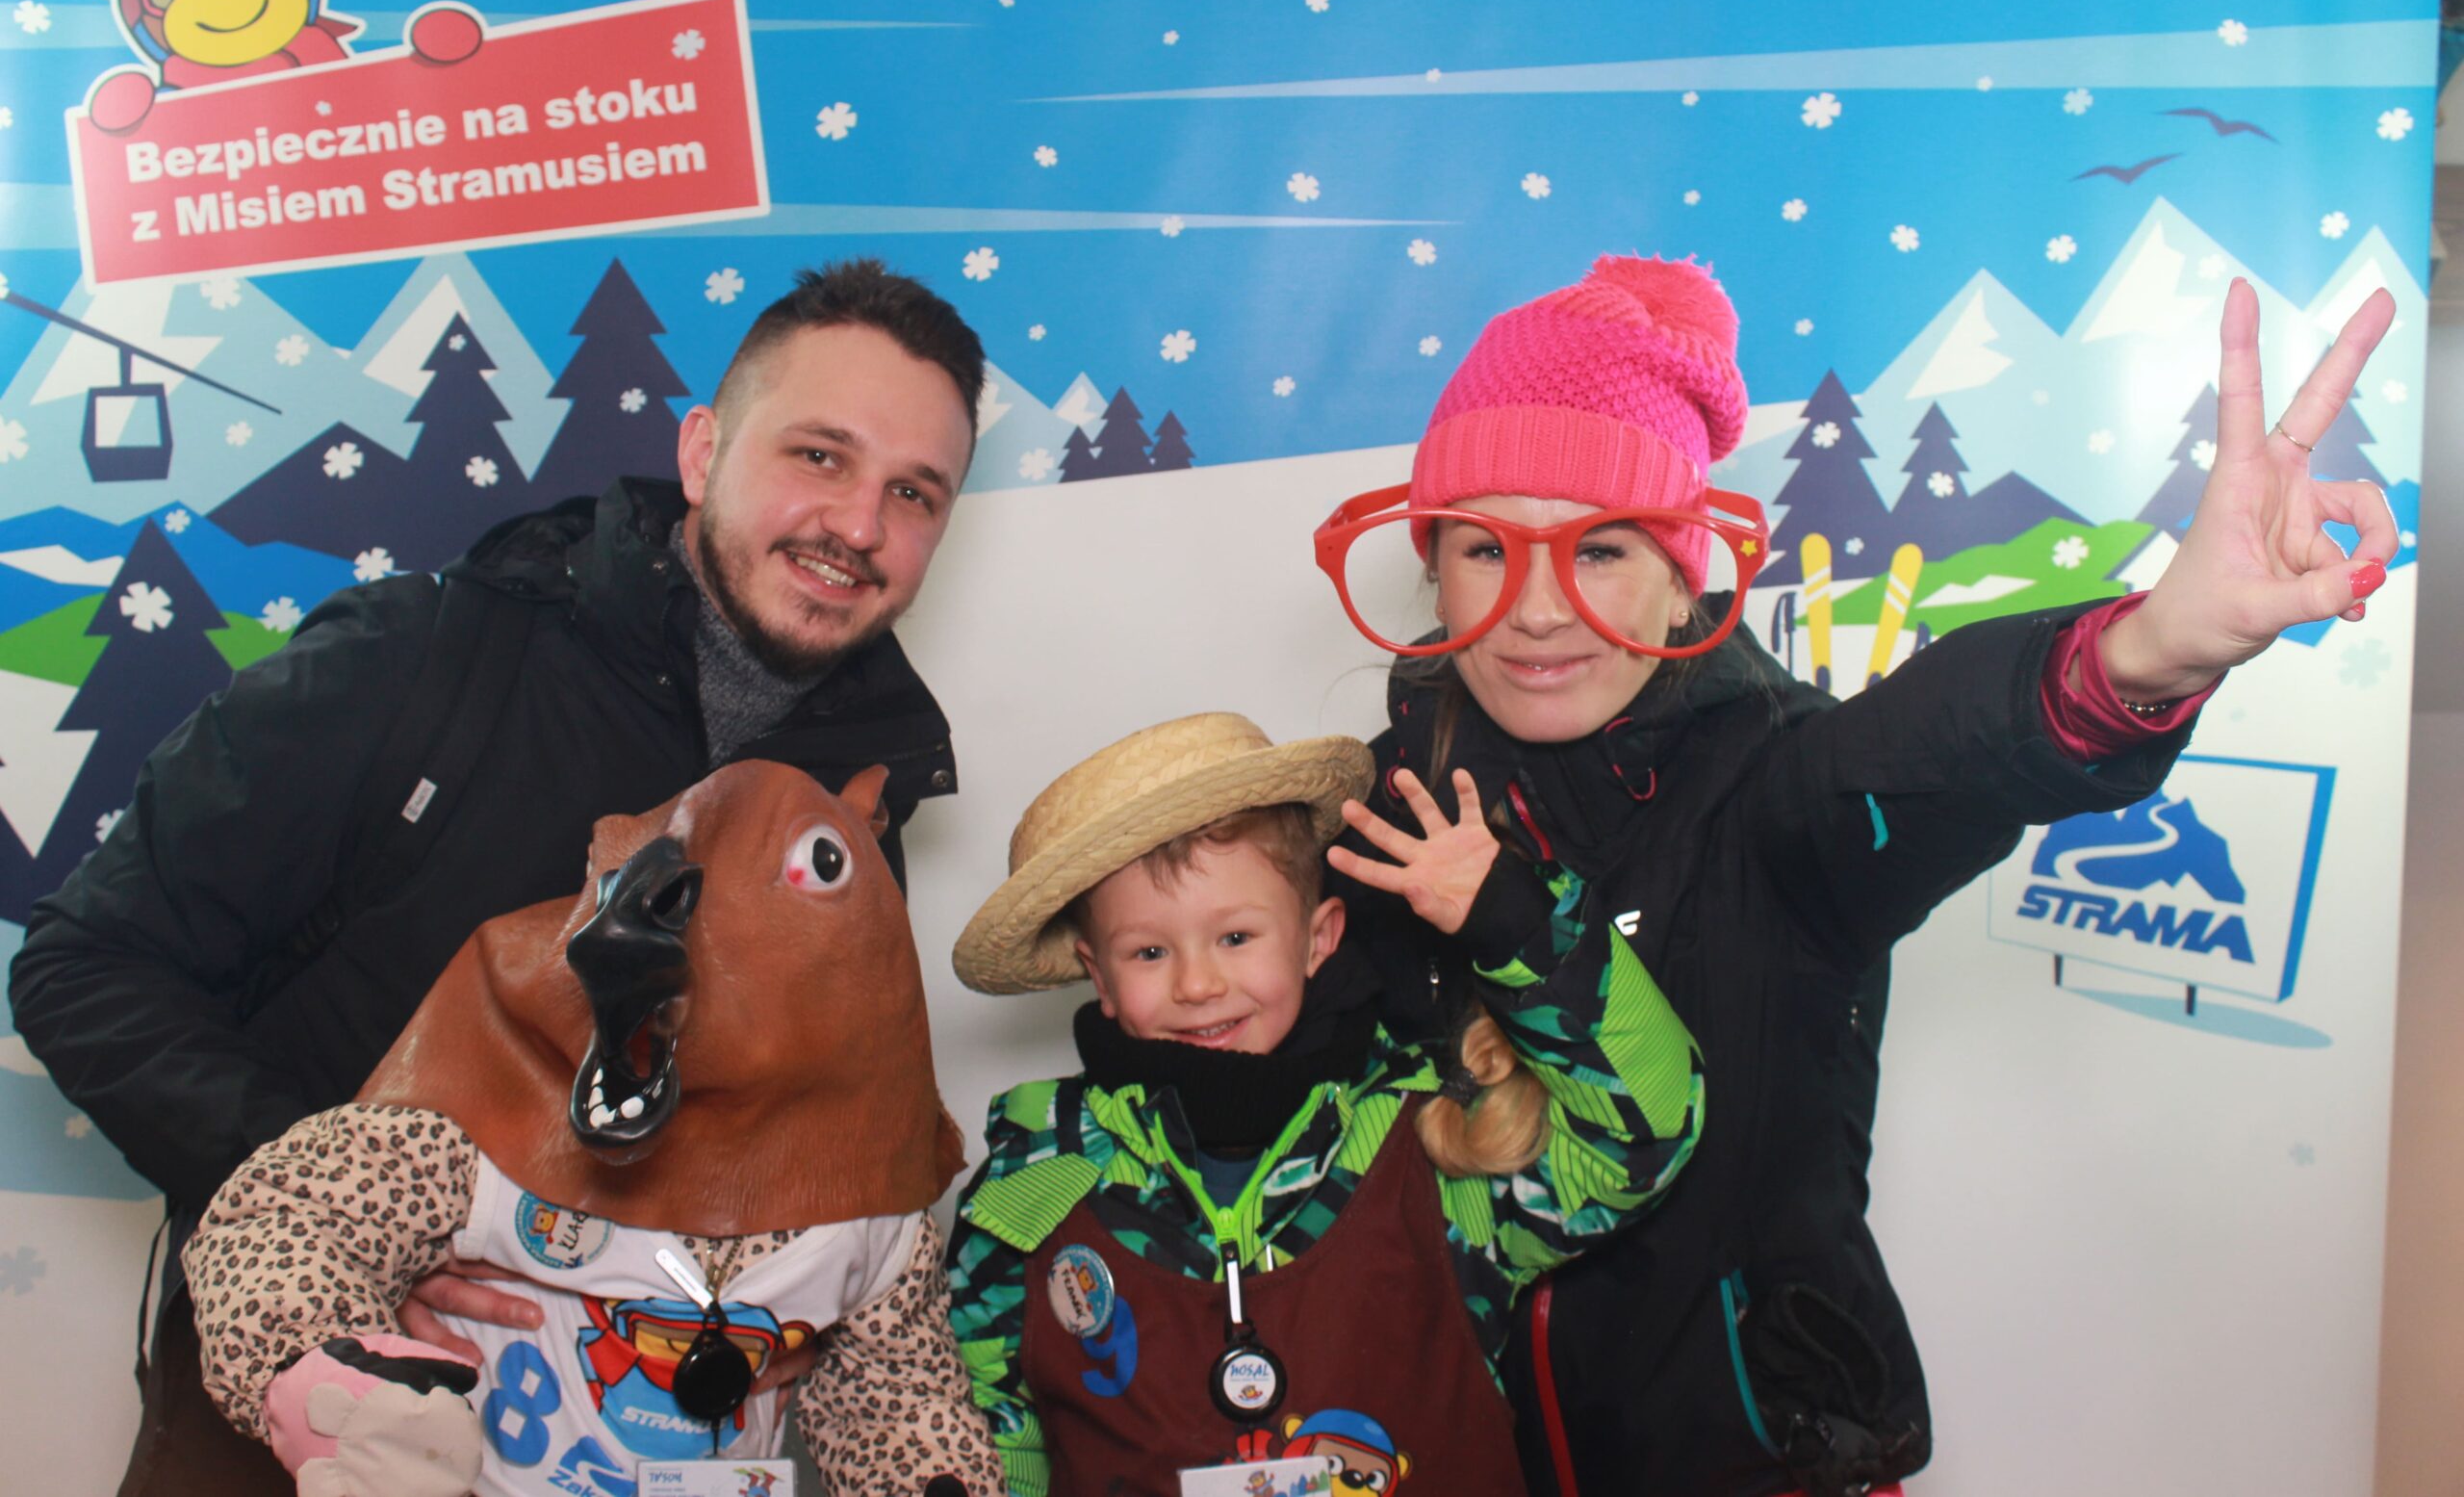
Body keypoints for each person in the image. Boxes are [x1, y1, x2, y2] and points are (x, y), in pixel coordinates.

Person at [1313, 254, 2397, 1497]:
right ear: (1433, 567)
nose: (1540, 608)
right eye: (1483, 548)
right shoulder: (1367, 818)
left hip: (1762, 1461)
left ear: (1681, 571)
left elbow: (1939, 748)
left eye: (1600, 548)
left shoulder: (1777, 790)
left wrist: (2145, 651)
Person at [8, 257, 987, 1496]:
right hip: (329, 1425)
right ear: (703, 453)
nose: (857, 526)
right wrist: (353, 1223)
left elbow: (814, 1137)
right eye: (820, 456)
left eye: (913, 492)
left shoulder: (856, 809)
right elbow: (86, 965)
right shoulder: (422, 661)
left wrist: (794, 1295)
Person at [940, 711, 1706, 1497]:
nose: (1197, 984)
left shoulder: (1432, 1143)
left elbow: (1647, 1133)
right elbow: (991, 1435)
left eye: (1236, 937)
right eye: (1150, 951)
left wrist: (1515, 922)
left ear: (1318, 938)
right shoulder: (1034, 1185)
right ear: (1098, 975)